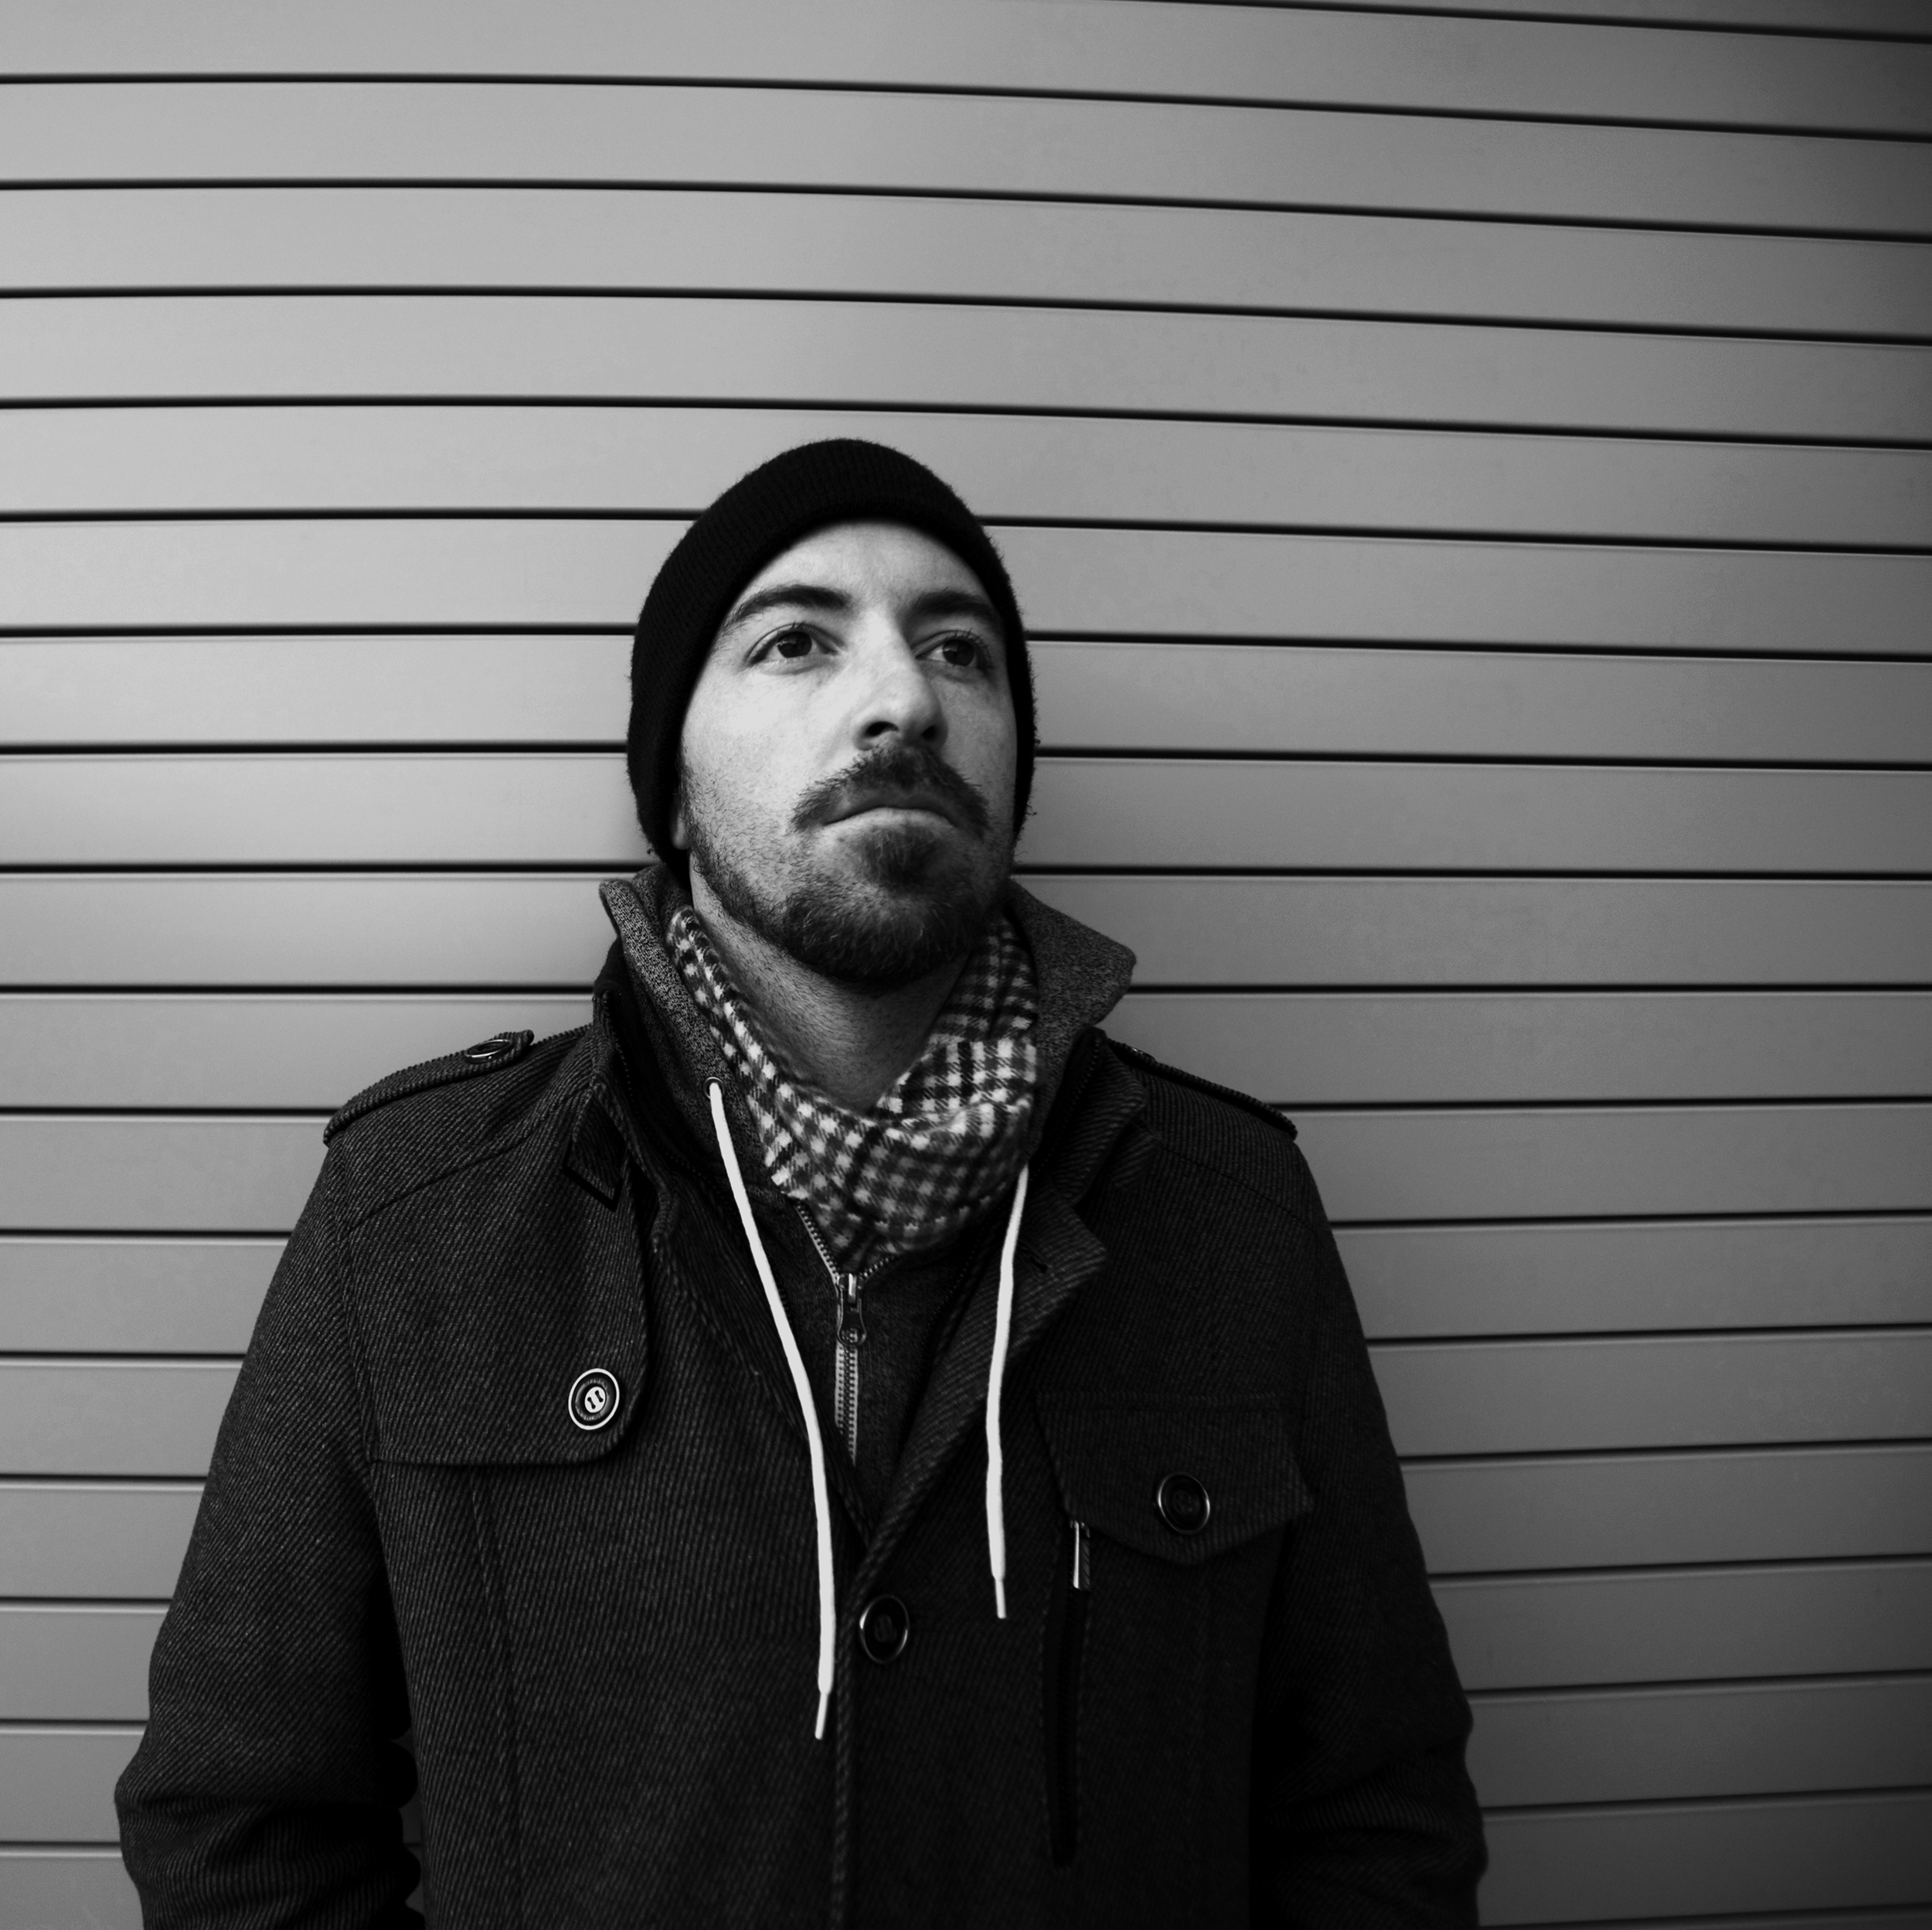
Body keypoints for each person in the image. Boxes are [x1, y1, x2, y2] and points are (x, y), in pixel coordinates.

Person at [117, 440, 1485, 1925]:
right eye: (795, 642)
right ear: (674, 786)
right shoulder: (415, 1222)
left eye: (959, 650)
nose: (905, 699)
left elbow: (1375, 1820)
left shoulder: (1232, 1220)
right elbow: (241, 1823)